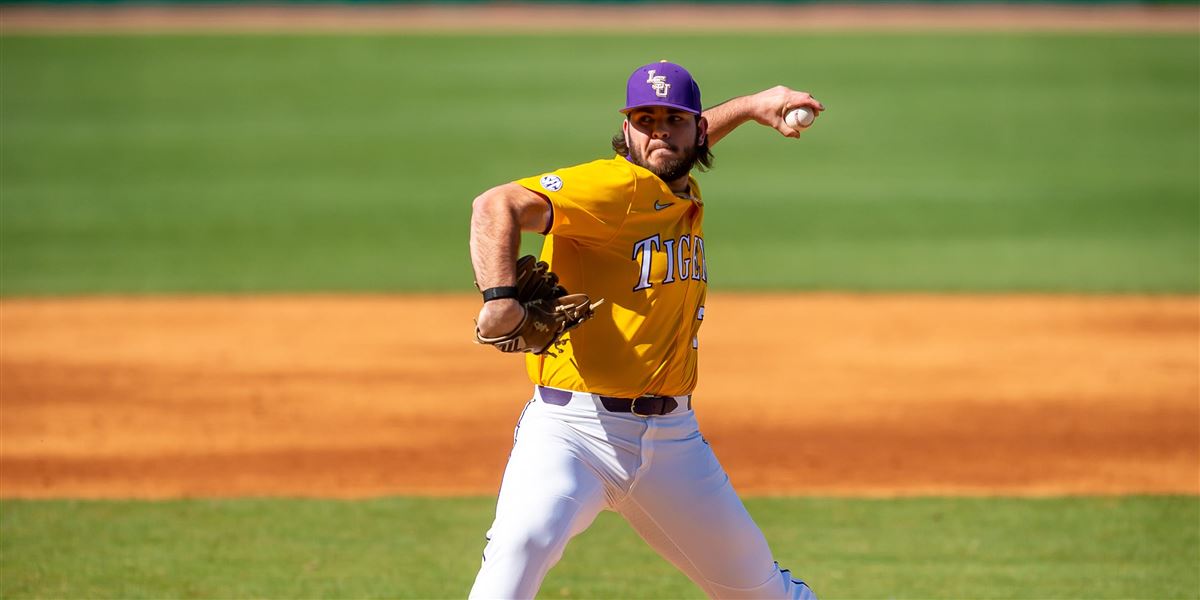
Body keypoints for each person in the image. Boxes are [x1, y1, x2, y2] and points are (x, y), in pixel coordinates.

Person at [468, 60, 824, 600]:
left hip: (675, 444)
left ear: (697, 128)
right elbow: (495, 204)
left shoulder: (672, 188)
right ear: (627, 128)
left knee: (763, 593)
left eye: (673, 119)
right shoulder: (615, 188)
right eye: (645, 119)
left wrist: (753, 106)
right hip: (572, 435)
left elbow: (678, 151)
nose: (659, 131)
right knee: (510, 574)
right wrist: (497, 300)